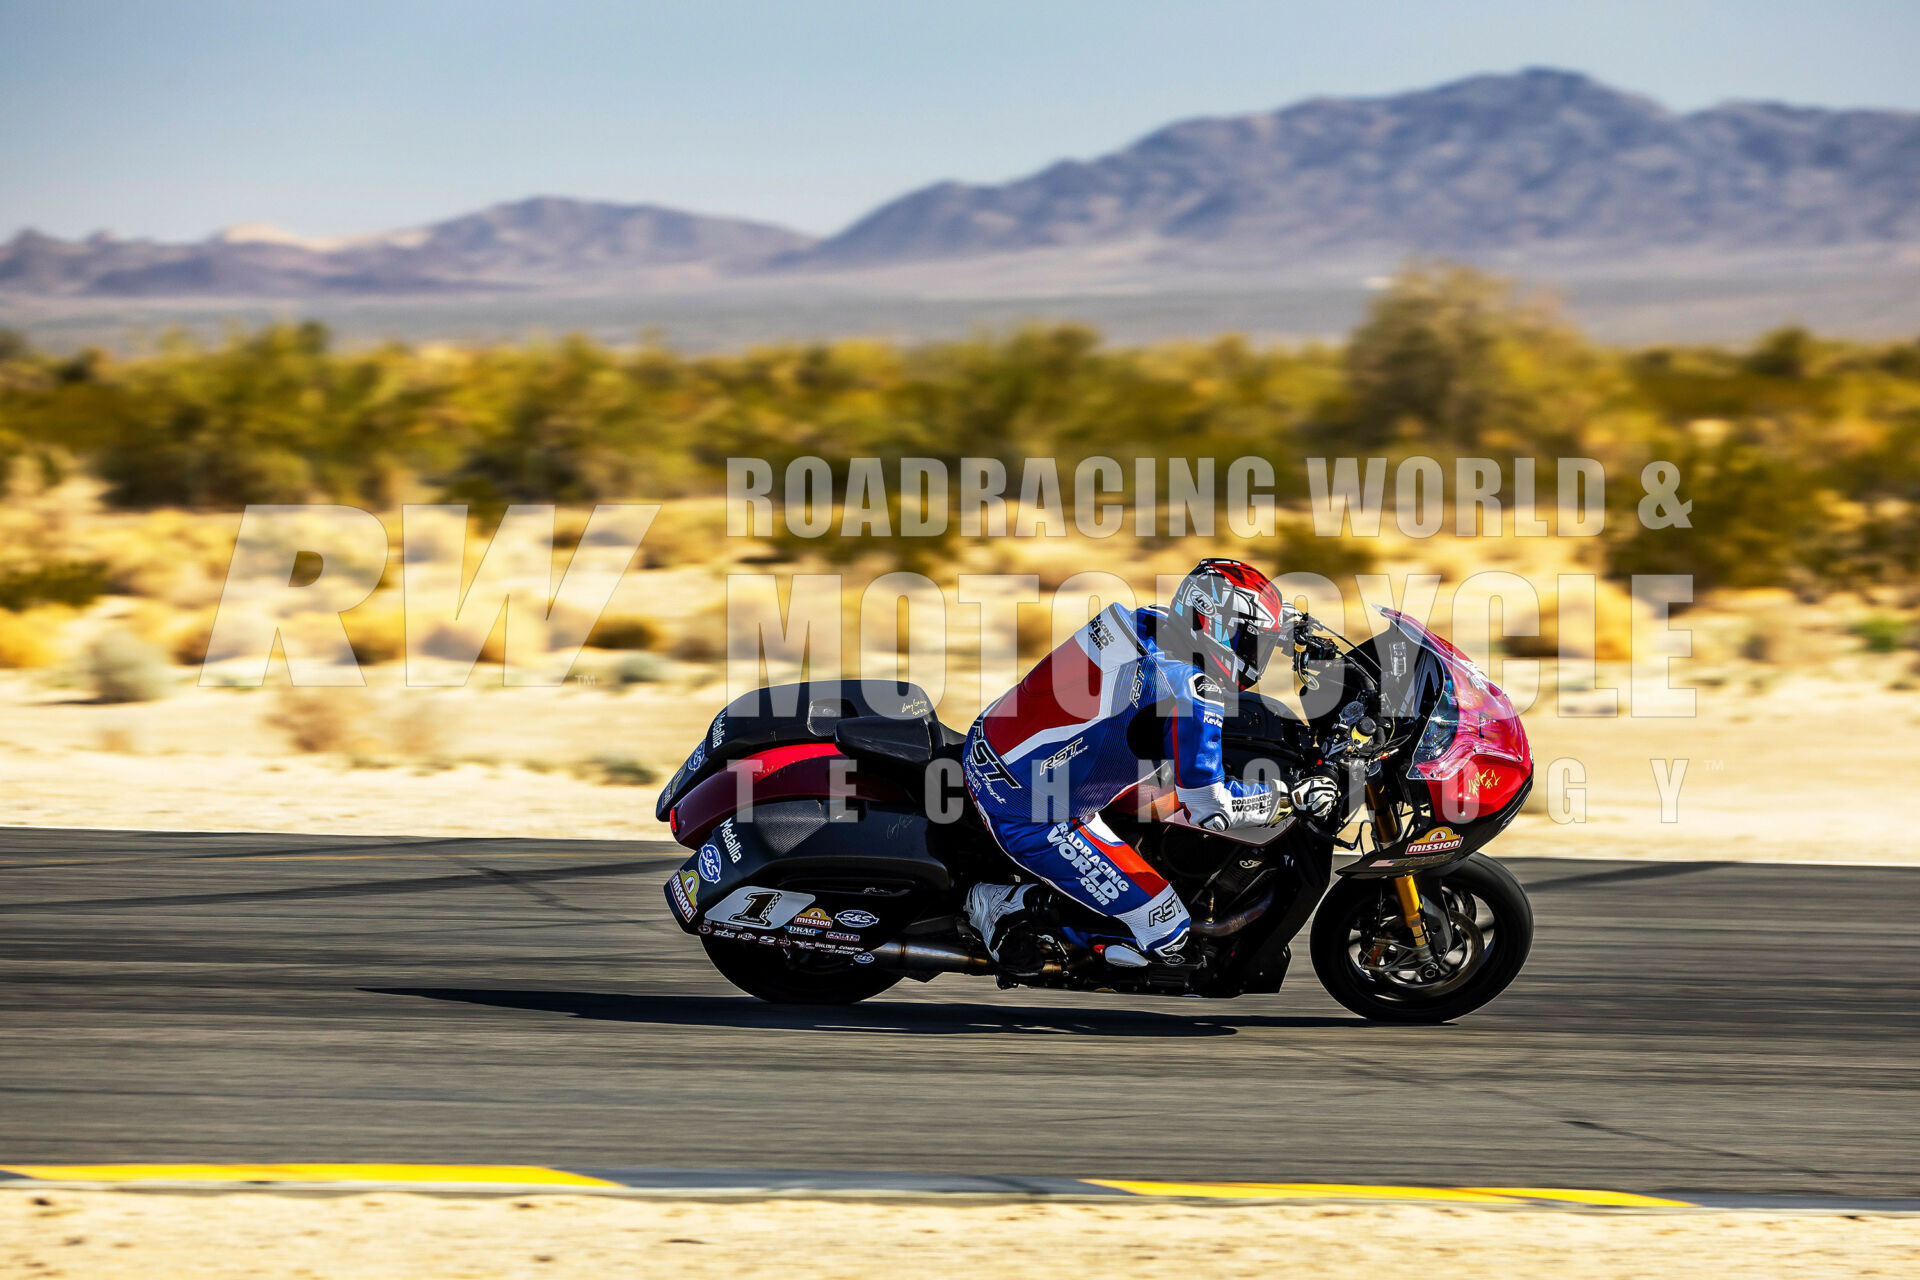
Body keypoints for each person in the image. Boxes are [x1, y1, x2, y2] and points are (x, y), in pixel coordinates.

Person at [961, 558, 1341, 971]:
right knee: (1168, 931)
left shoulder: (1149, 621)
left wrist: (1290, 625)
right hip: (1028, 807)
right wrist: (1288, 799)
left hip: (999, 744)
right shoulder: (1191, 690)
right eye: (1250, 641)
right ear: (1214, 625)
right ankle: (1004, 905)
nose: (1256, 655)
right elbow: (1211, 808)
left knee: (1159, 795)